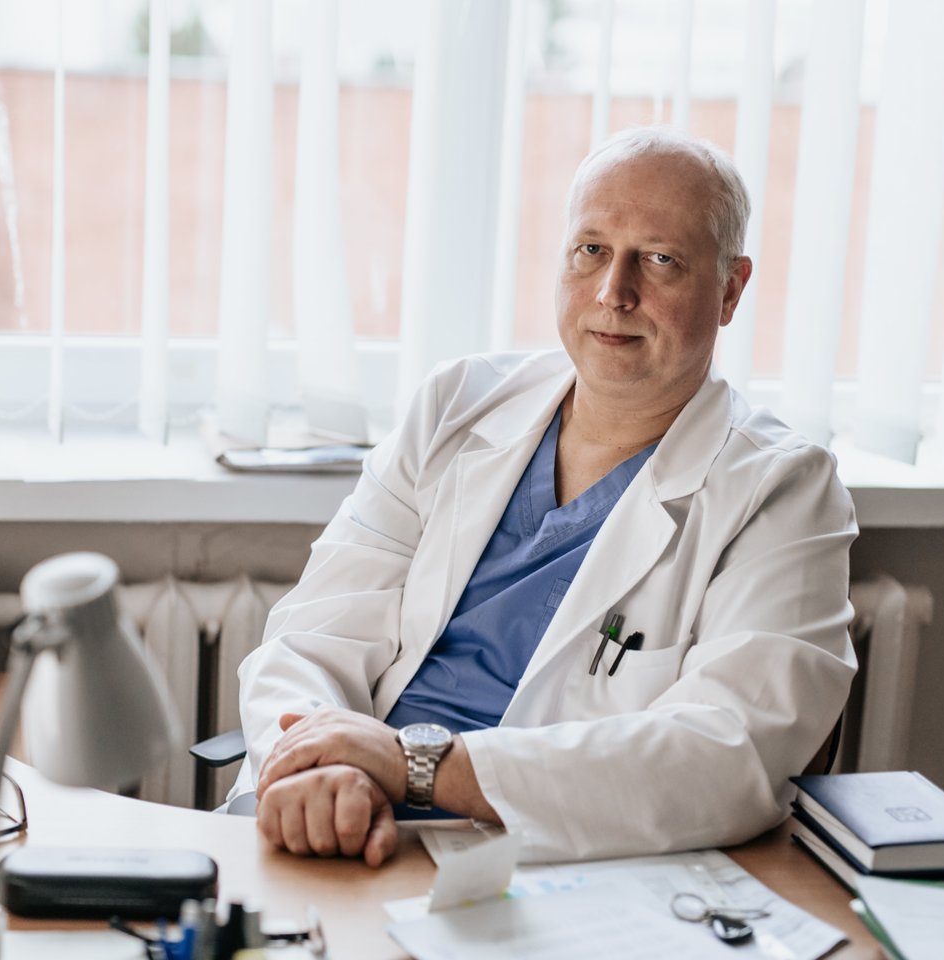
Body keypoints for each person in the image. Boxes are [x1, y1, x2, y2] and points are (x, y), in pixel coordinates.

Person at [229, 126, 857, 866]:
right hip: (335, 819)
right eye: (591, 249)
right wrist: (319, 767)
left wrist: (415, 766)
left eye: (660, 260)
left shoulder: (783, 489)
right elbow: (310, 635)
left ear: (730, 289)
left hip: (550, 863)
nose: (613, 292)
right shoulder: (456, 404)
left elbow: (730, 752)